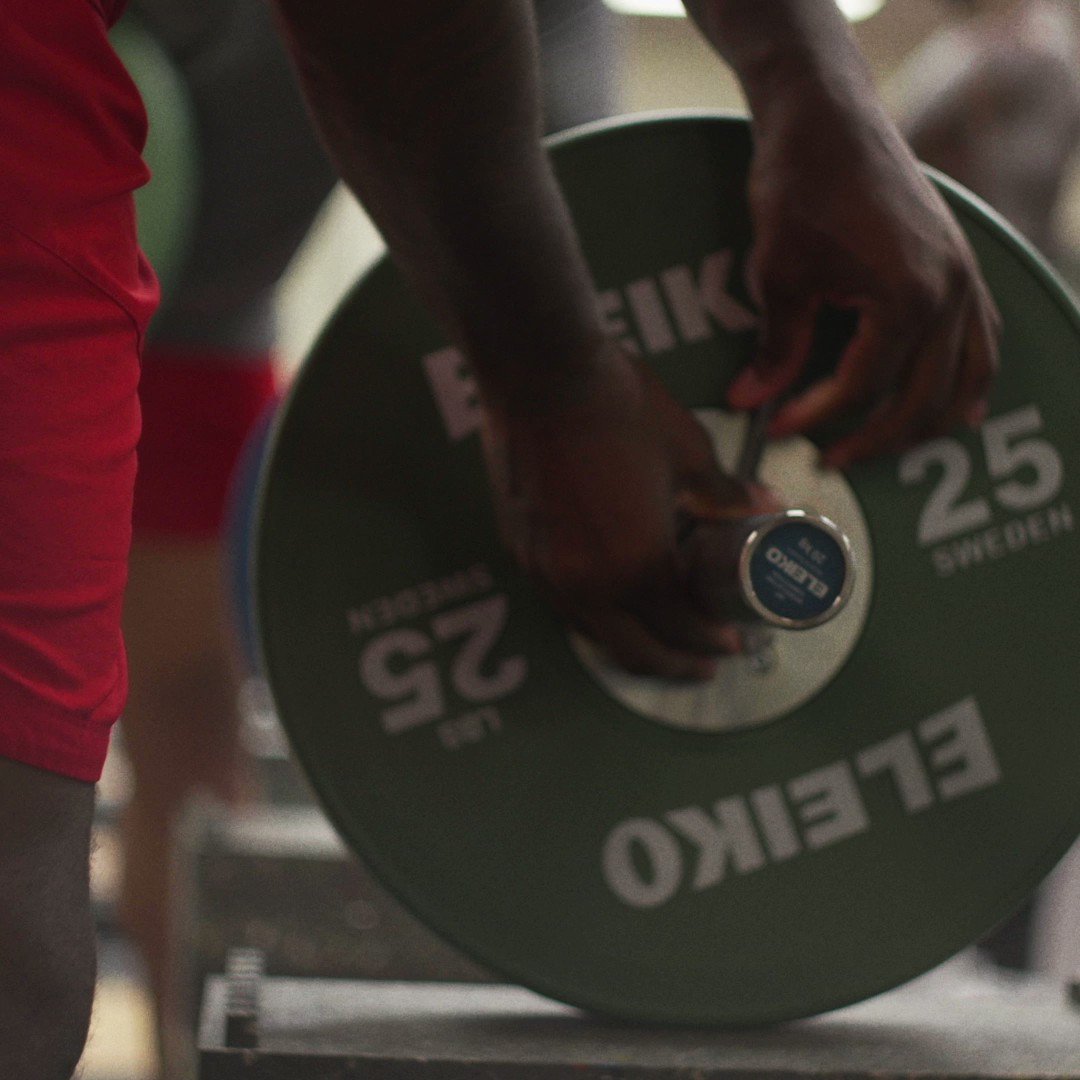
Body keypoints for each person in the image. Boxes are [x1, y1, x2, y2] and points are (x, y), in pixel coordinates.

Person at [0, 1, 998, 1076]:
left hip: (199, 237)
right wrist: (551, 385)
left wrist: (813, 81)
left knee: (163, 746)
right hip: (95, 94)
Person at [113, 1, 620, 1074]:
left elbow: (587, 215)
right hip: (109, 295)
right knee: (124, 738)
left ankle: (181, 1056)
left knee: (186, 735)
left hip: (202, 333)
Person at [892, 0, 1080, 263]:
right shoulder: (948, 53)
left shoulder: (1044, 38)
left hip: (1019, 242)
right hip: (957, 234)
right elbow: (912, 132)